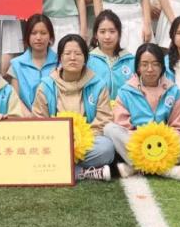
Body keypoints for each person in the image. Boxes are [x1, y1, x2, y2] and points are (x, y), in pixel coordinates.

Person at [105, 43, 180, 180]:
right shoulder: (126, 91)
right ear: (137, 67)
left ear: (162, 66)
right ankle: (165, 170)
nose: (150, 69)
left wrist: (161, 143)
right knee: (110, 129)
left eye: (155, 64)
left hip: (163, 146)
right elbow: (122, 125)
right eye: (144, 64)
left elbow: (178, 127)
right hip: (137, 144)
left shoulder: (173, 91)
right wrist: (144, 142)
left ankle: (136, 167)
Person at [32, 34, 116, 181]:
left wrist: (80, 141)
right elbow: (39, 121)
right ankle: (81, 172)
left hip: (88, 142)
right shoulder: (46, 86)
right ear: (60, 58)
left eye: (78, 54)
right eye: (67, 53)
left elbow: (104, 120)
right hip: (55, 143)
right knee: (36, 148)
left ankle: (60, 169)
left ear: (85, 58)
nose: (72, 58)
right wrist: (59, 140)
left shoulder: (98, 85)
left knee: (106, 148)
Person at [9, 14, 58, 109]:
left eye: (43, 33)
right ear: (27, 36)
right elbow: (15, 99)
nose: (38, 37)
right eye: (33, 33)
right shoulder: (16, 64)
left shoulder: (60, 62)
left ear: (51, 37)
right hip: (26, 116)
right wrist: (29, 115)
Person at [87, 10, 135, 100]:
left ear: (119, 34)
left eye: (112, 31)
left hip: (125, 107)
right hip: (97, 108)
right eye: (102, 32)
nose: (107, 37)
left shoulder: (131, 60)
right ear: (96, 35)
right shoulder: (88, 61)